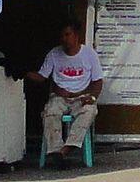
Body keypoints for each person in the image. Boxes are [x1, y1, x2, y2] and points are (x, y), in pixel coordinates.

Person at [30, 18, 102, 167]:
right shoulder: (53, 54)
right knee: (49, 112)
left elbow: (98, 81)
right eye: (62, 36)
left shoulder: (89, 54)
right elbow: (42, 76)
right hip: (60, 97)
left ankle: (66, 149)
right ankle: (56, 150)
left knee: (90, 110)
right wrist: (24, 73)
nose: (64, 39)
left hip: (81, 96)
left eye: (67, 35)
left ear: (76, 36)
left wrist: (92, 97)